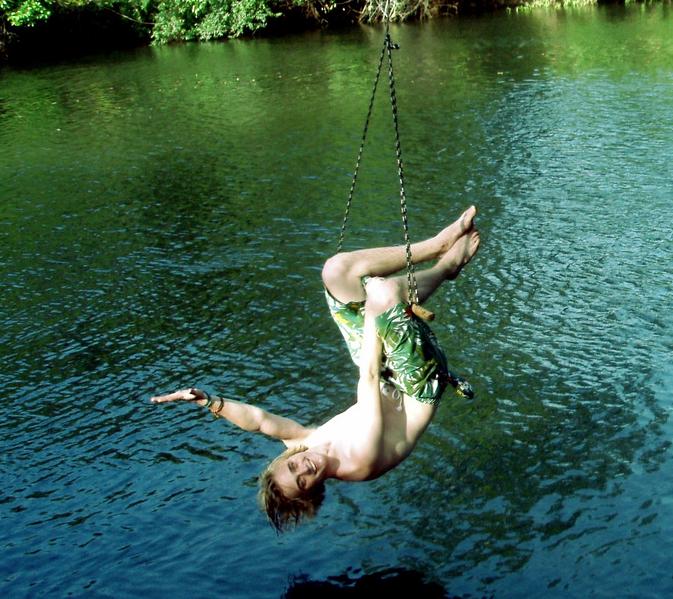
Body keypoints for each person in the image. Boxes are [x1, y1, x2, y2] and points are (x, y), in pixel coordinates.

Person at [152, 207, 481, 532]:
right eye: (304, 482)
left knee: (336, 271)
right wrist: (374, 311)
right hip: (417, 383)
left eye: (293, 466)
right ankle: (447, 266)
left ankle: (437, 244)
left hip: (382, 375)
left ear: (286, 458)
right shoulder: (358, 462)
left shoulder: (306, 444)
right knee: (384, 293)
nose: (304, 468)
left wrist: (207, 401)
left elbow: (259, 421)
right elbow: (366, 380)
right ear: (313, 491)